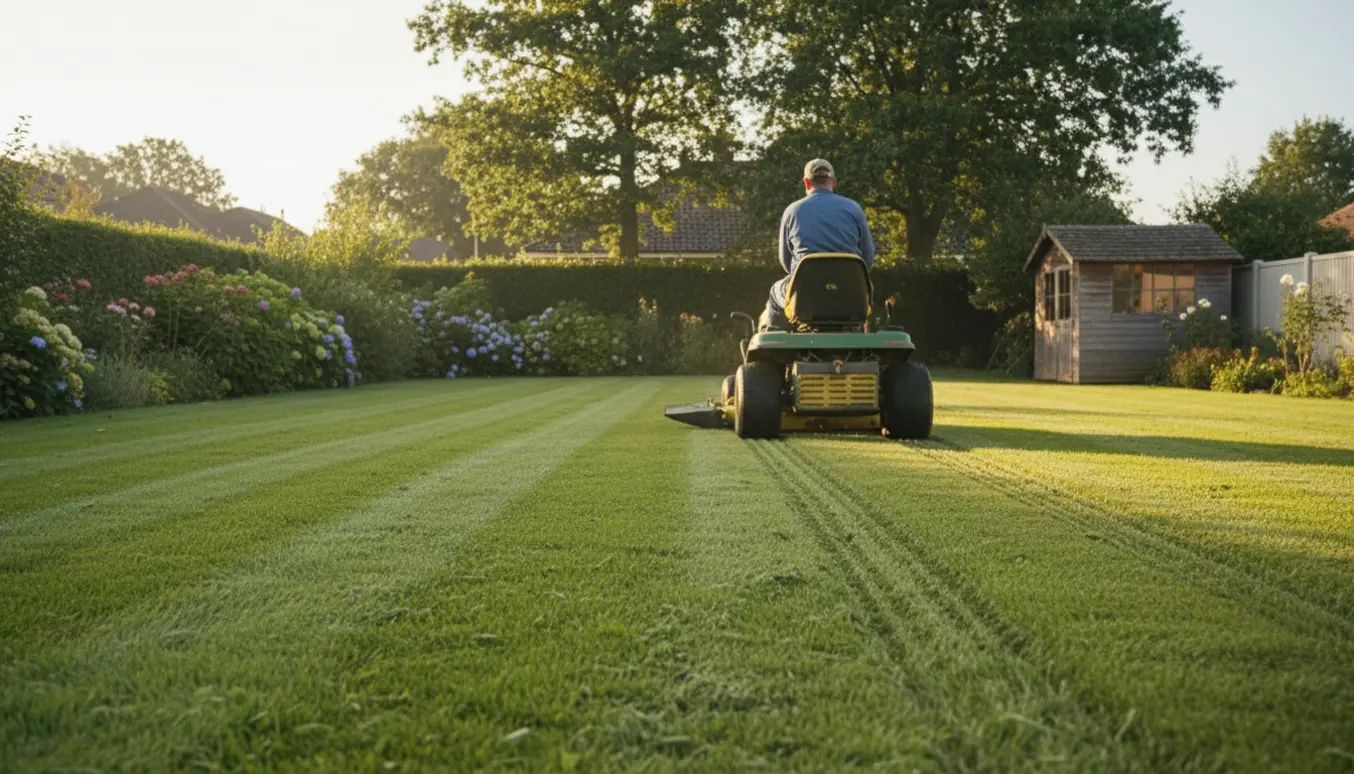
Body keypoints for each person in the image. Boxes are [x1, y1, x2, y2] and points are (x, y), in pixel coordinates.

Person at [762, 158, 876, 330]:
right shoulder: (854, 209)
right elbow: (867, 258)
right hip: (850, 293)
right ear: (834, 182)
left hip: (806, 295)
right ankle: (855, 330)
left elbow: (786, 262)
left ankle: (775, 344)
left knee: (775, 291)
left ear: (806, 182)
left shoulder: (793, 211)